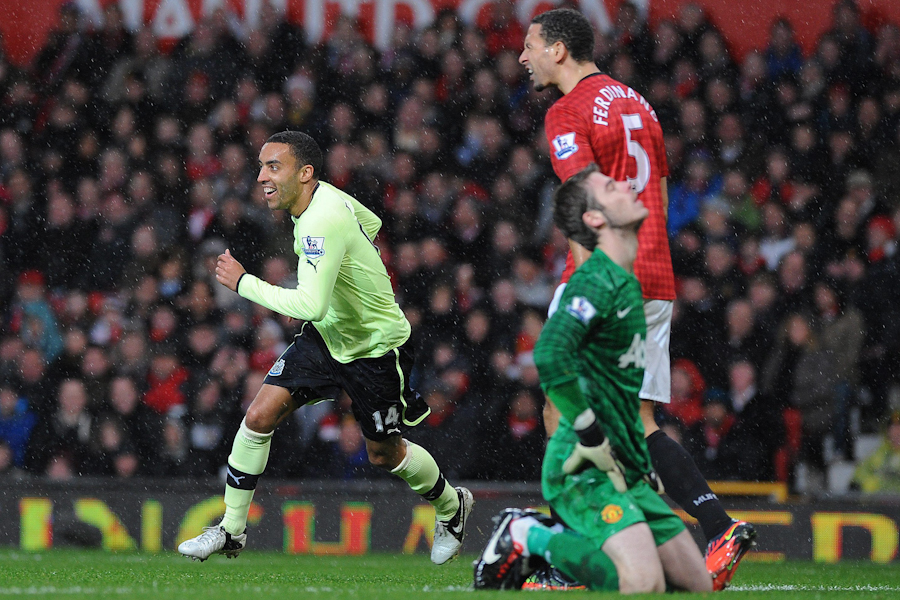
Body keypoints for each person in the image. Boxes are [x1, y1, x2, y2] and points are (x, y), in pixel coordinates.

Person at [519, 8, 753, 589]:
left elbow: (584, 201)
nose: (523, 58)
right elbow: (661, 194)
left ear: (558, 50)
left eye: (530, 46)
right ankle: (717, 526)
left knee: (560, 411)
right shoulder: (638, 102)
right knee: (639, 420)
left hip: (604, 274)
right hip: (653, 270)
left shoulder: (567, 110)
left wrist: (588, 284)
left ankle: (567, 555)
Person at [178, 131, 473, 563]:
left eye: (273, 167)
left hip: (374, 348)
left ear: (305, 173)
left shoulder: (321, 220)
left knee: (384, 453)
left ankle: (451, 505)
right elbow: (372, 223)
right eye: (261, 166)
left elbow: (310, 305)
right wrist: (355, 267)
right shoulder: (323, 200)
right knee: (258, 416)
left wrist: (243, 283)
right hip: (328, 337)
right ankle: (232, 529)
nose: (261, 177)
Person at [474, 164, 710, 592]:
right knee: (642, 584)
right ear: (595, 218)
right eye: (611, 186)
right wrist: (588, 432)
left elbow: (621, 395)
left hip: (623, 464)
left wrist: (638, 463)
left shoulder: (625, 281)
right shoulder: (596, 281)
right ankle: (528, 535)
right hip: (583, 461)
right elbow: (549, 353)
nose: (628, 183)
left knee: (697, 584)